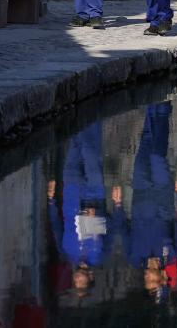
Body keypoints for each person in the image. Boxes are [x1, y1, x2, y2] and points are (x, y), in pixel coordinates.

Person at [46, 120, 125, 298]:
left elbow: (56, 226)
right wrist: (117, 205)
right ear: (90, 277)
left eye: (77, 283)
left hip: (72, 193)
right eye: (82, 284)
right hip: (94, 196)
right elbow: (113, 228)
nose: (78, 281)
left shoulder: (67, 253)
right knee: (90, 150)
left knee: (75, 145)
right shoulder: (101, 254)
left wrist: (51, 201)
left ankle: (79, 115)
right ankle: (92, 115)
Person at [124, 103, 177, 301]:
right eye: (152, 281)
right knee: (156, 155)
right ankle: (163, 110)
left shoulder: (134, 257)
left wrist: (117, 207)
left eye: (147, 282)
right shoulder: (173, 254)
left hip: (141, 192)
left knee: (145, 146)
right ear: (162, 277)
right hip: (162, 195)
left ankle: (152, 107)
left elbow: (123, 229)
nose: (147, 278)